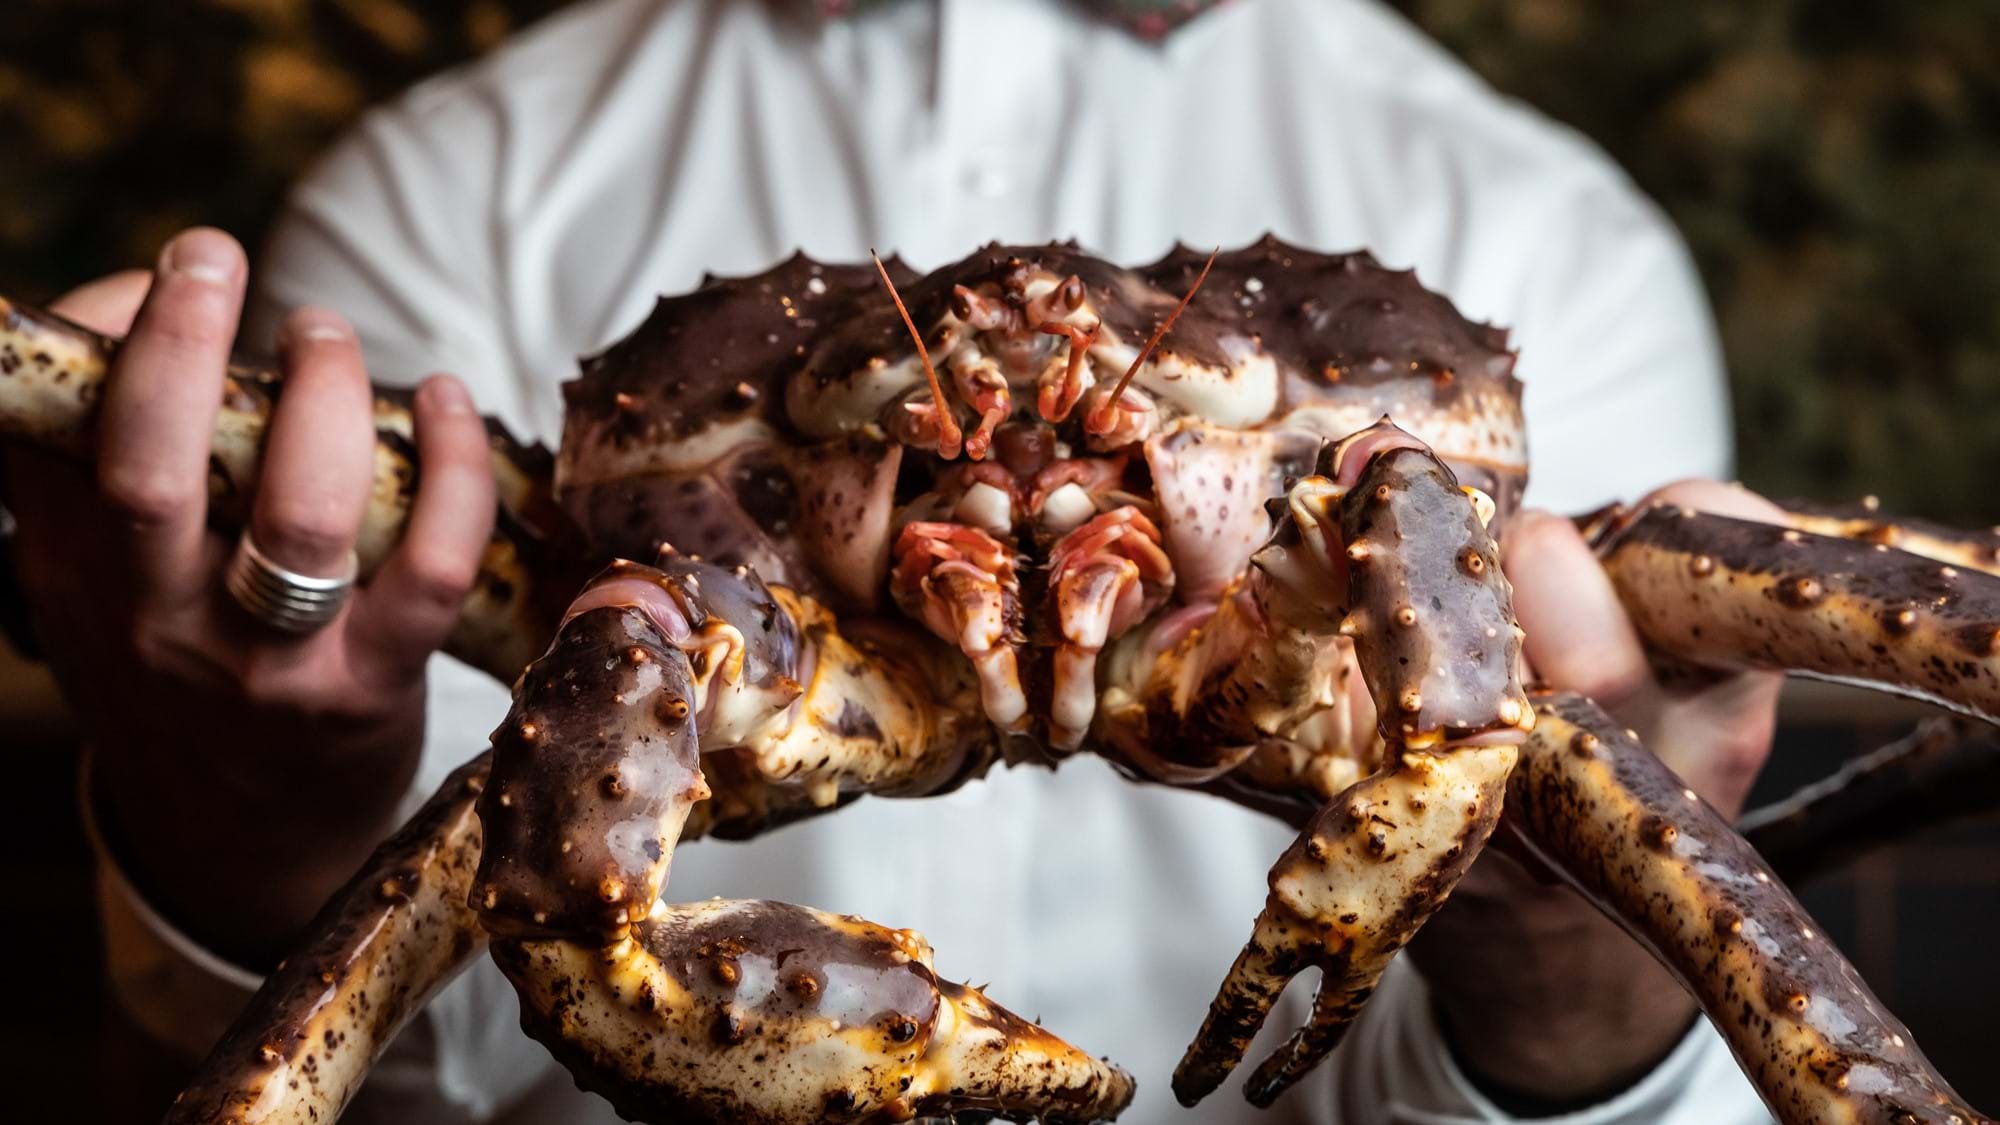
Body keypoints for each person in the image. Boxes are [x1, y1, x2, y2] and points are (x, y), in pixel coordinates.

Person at [7, 1, 1785, 1121]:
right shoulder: (453, 189)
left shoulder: (1547, 232)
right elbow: (417, 1046)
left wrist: (1577, 951)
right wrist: (257, 820)